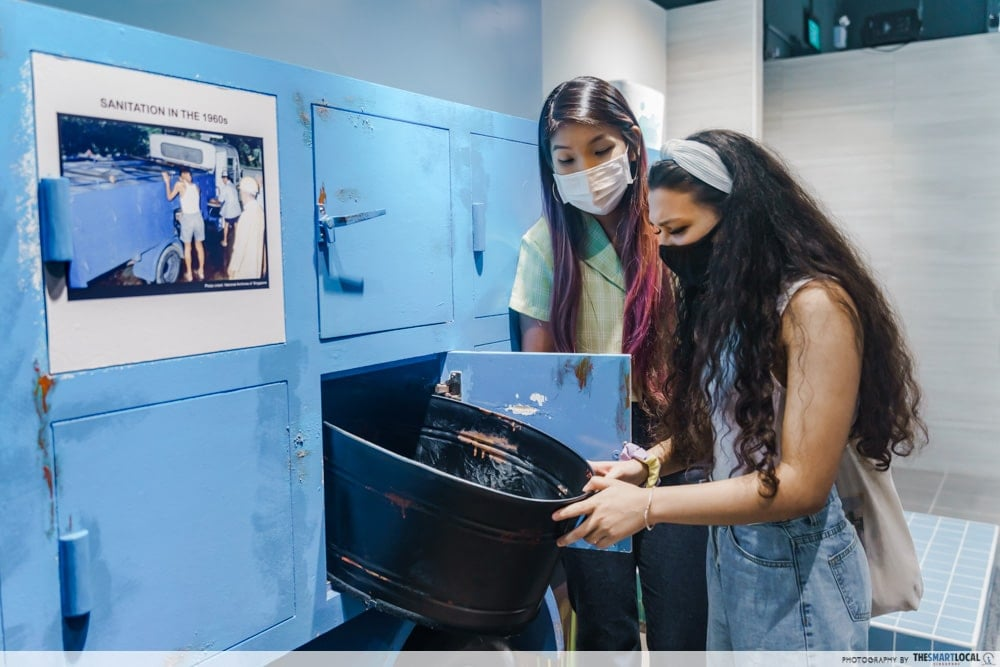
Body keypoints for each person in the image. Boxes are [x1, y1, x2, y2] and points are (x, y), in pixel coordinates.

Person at [552, 129, 926, 651]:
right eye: (657, 231)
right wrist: (647, 465)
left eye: (679, 230)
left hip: (799, 568)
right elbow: (725, 426)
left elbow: (800, 485)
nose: (663, 248)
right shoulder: (735, 302)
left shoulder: (815, 307)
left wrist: (646, 507)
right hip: (732, 547)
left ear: (740, 221)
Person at [509, 76, 709, 652]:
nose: (586, 170)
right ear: (549, 166)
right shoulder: (545, 245)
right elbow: (538, 372)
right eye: (566, 158)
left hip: (677, 445)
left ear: (632, 146)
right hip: (586, 452)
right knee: (604, 623)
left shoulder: (668, 233)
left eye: (600, 151)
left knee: (681, 620)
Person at [162, 168, 206, 282]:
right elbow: (190, 201)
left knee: (187, 247)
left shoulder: (179, 185)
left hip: (188, 219)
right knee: (199, 246)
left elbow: (169, 197)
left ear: (181, 177)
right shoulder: (196, 187)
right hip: (198, 217)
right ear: (189, 176)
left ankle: (190, 274)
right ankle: (201, 272)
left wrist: (167, 182)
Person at [227, 176, 266, 280]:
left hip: (243, 269)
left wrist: (233, 267)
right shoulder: (260, 211)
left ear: (244, 193)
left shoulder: (246, 215)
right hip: (255, 268)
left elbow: (240, 246)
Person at [216, 172, 242, 247]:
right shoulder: (233, 185)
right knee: (236, 225)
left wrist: (216, 199)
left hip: (230, 211)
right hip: (237, 210)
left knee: (226, 225)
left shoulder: (226, 187)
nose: (223, 181)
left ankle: (225, 241)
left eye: (223, 179)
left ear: (225, 178)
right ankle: (237, 242)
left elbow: (220, 200)